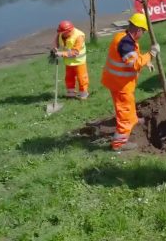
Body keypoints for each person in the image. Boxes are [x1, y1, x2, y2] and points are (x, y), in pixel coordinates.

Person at [100, 13, 159, 151]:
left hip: (119, 82)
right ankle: (119, 144)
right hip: (121, 85)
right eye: (143, 31)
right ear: (138, 29)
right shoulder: (125, 44)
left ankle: (134, 120)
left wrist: (147, 62)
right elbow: (133, 64)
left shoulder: (124, 37)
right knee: (124, 113)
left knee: (129, 105)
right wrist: (151, 54)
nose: (143, 34)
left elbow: (134, 56)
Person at [53, 20, 89, 100]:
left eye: (63, 32)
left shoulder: (79, 36)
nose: (62, 34)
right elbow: (57, 38)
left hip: (79, 62)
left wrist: (61, 54)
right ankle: (71, 93)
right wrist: (55, 47)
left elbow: (75, 52)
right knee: (69, 78)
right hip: (68, 62)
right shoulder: (62, 34)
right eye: (61, 32)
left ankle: (83, 93)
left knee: (82, 78)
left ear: (69, 31)